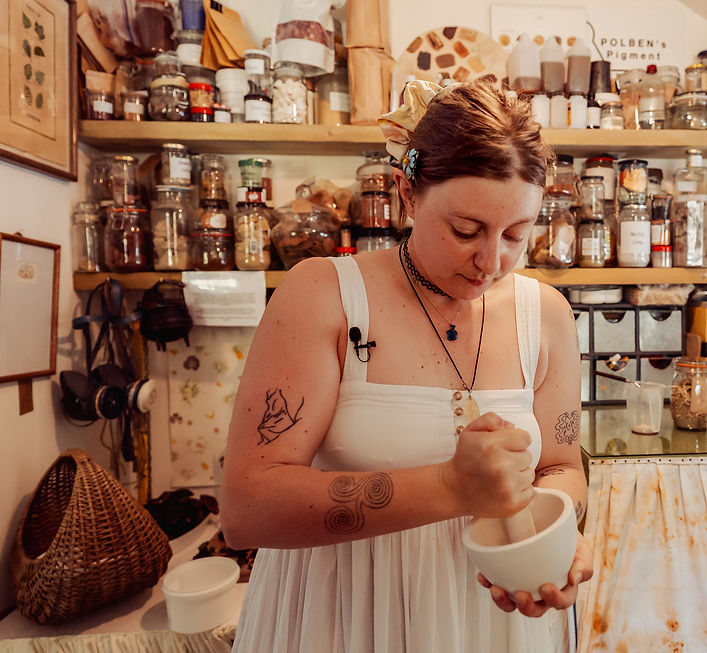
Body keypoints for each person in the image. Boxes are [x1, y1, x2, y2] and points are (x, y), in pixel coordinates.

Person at [222, 78, 593, 653]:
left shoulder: (546, 314)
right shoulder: (323, 295)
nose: (491, 261)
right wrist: (449, 486)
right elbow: (248, 508)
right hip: (344, 617)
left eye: (516, 234)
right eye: (465, 230)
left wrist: (556, 535)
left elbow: (562, 466)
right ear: (407, 193)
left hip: (495, 618)